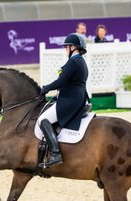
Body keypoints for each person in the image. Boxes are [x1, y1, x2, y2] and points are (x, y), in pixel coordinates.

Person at [37, 33, 89, 168]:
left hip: (70, 100)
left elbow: (61, 81)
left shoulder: (73, 61)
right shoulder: (81, 61)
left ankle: (55, 153)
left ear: (73, 47)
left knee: (43, 120)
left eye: (67, 47)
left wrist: (46, 88)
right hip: (77, 97)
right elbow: (71, 83)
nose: (66, 49)